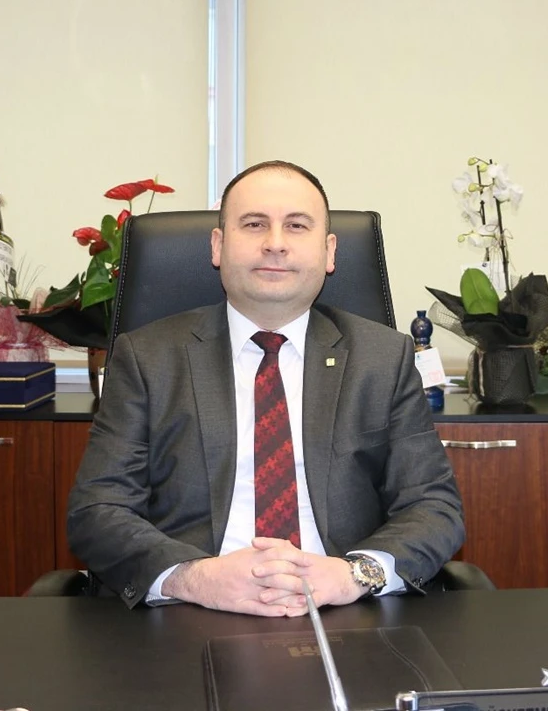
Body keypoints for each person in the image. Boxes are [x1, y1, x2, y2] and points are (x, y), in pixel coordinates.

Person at [67, 160, 465, 615]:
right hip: (190, 610)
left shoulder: (383, 358)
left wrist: (353, 574)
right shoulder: (147, 358)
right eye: (254, 224)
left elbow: (433, 507)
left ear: (329, 252)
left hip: (344, 607)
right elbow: (97, 511)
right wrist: (195, 578)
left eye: (296, 226)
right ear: (219, 246)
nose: (275, 243)